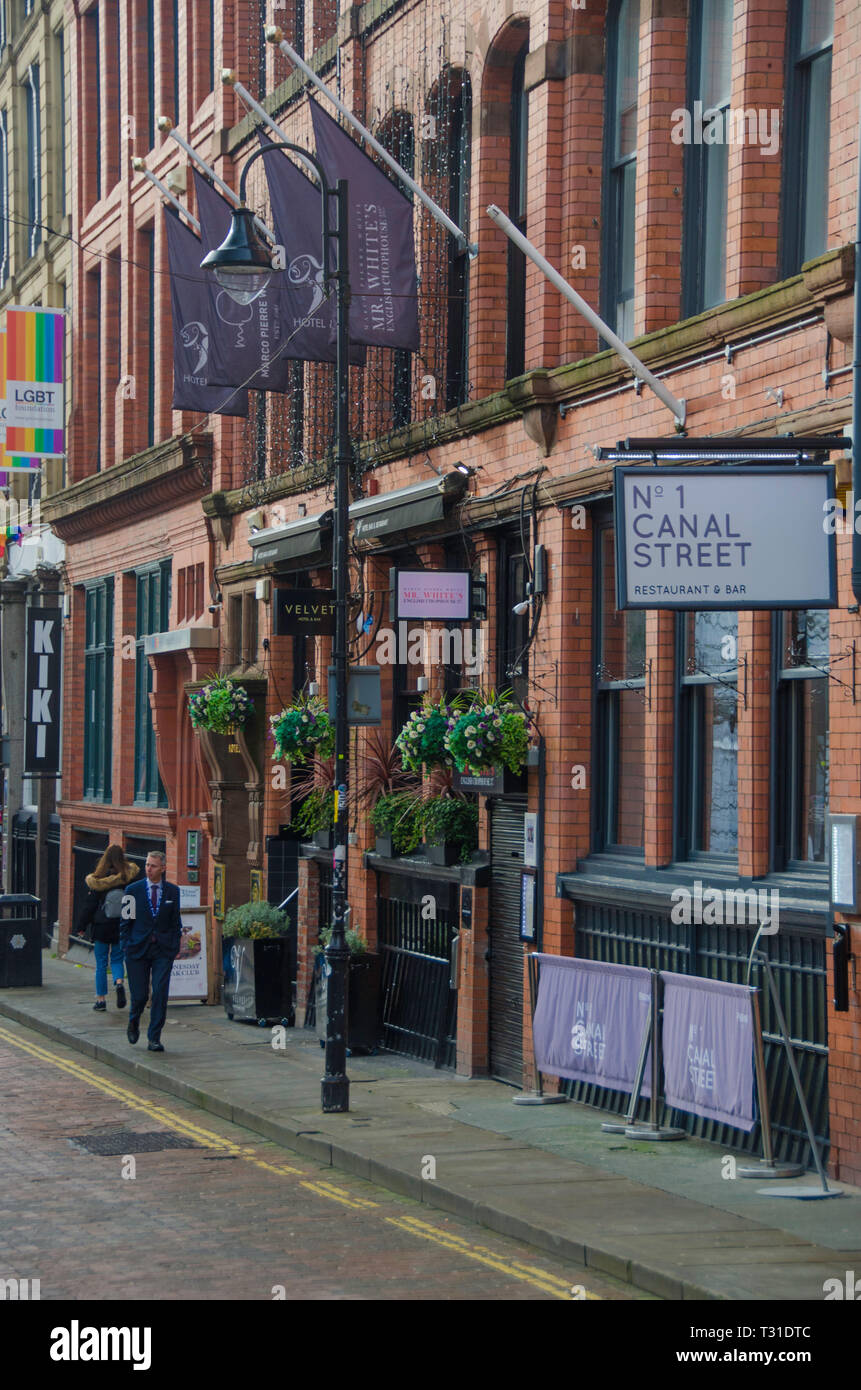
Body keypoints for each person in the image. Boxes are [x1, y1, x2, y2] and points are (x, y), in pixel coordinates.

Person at [121, 850, 183, 1053]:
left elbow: (176, 922)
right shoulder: (132, 890)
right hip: (137, 950)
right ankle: (133, 1020)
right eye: (147, 864)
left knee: (159, 993)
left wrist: (174, 946)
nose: (149, 869)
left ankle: (154, 1037)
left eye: (153, 865)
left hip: (163, 951)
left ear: (163, 868)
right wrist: (126, 946)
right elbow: (125, 922)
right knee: (139, 996)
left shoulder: (173, 892)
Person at [75, 844, 140, 1012]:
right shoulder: (129, 878)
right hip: (121, 925)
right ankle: (119, 983)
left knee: (101, 964)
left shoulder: (98, 880)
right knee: (118, 959)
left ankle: (101, 1000)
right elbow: (133, 903)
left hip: (102, 927)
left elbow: (89, 906)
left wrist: (81, 927)